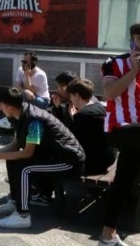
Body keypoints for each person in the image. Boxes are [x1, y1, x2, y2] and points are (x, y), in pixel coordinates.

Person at [0, 87, 85, 230]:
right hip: (52, 156)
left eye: (1, 105)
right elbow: (15, 145)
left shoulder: (34, 120)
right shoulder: (18, 115)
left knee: (24, 168)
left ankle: (22, 216)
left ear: (10, 108)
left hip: (68, 161)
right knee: (13, 161)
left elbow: (27, 153)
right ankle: (16, 202)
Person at [97, 23, 140, 246]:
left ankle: (107, 234)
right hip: (120, 128)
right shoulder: (115, 63)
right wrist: (134, 70)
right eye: (138, 41)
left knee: (124, 180)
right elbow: (109, 92)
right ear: (131, 43)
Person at [65, 79, 116, 176]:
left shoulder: (82, 116)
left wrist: (72, 118)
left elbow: (70, 140)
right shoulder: (101, 108)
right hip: (109, 158)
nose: (70, 99)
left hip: (93, 163)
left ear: (77, 96)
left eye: (71, 96)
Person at [0, 51, 51, 129]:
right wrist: (25, 90)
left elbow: (32, 92)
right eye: (22, 61)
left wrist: (27, 75)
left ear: (33, 63)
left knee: (22, 97)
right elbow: (17, 87)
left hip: (42, 101)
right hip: (27, 97)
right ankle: (10, 120)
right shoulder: (20, 70)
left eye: (25, 62)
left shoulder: (40, 75)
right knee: (15, 95)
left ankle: (9, 120)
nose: (23, 63)